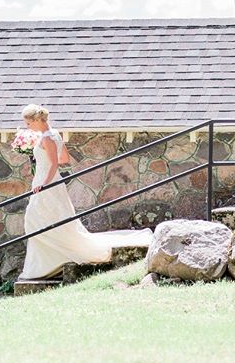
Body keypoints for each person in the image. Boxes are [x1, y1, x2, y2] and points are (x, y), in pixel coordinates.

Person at [18, 103, 153, 280]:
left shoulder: (47, 139)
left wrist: (43, 183)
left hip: (46, 183)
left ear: (36, 120)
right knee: (48, 220)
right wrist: (40, 157)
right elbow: (65, 157)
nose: (28, 127)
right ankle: (48, 260)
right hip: (48, 181)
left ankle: (50, 261)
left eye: (29, 123)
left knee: (34, 220)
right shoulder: (54, 134)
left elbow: (54, 164)